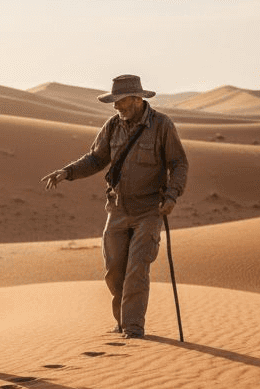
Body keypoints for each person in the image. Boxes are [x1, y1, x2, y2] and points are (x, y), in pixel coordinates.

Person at [42, 74, 188, 339]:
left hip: (149, 210)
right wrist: (67, 172)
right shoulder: (112, 126)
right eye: (114, 102)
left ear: (136, 99)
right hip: (118, 208)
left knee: (136, 270)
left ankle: (133, 328)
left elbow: (178, 164)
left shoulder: (162, 125)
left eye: (120, 101)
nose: (116, 107)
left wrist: (172, 196)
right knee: (114, 271)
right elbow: (96, 158)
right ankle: (121, 322)